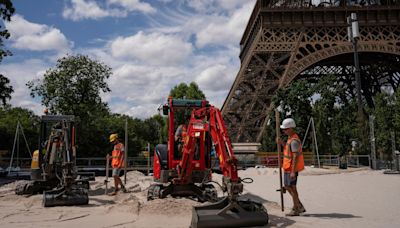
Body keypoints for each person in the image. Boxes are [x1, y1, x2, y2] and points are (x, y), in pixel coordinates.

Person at [276, 118, 306, 216]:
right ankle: (299, 205)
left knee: (292, 188)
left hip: (291, 169)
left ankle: (296, 208)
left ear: (290, 128)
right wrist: (282, 143)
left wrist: (293, 171)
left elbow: (295, 156)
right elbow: (287, 150)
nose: (283, 131)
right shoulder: (290, 139)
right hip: (287, 167)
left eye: (285, 129)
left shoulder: (294, 140)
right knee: (288, 186)